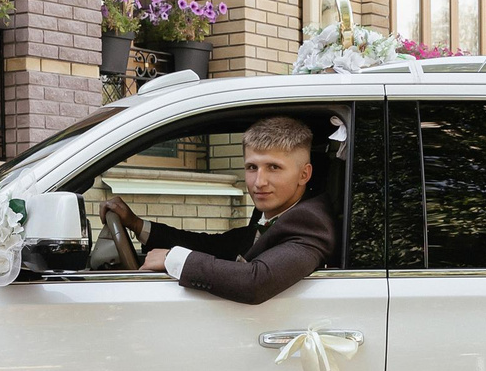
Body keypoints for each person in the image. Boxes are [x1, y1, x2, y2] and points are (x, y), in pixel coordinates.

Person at [100, 114, 335, 306]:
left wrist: (174, 259)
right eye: (252, 167)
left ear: (304, 174)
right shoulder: (276, 211)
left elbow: (255, 282)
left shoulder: (310, 221)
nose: (259, 182)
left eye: (274, 167)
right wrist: (137, 224)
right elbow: (213, 245)